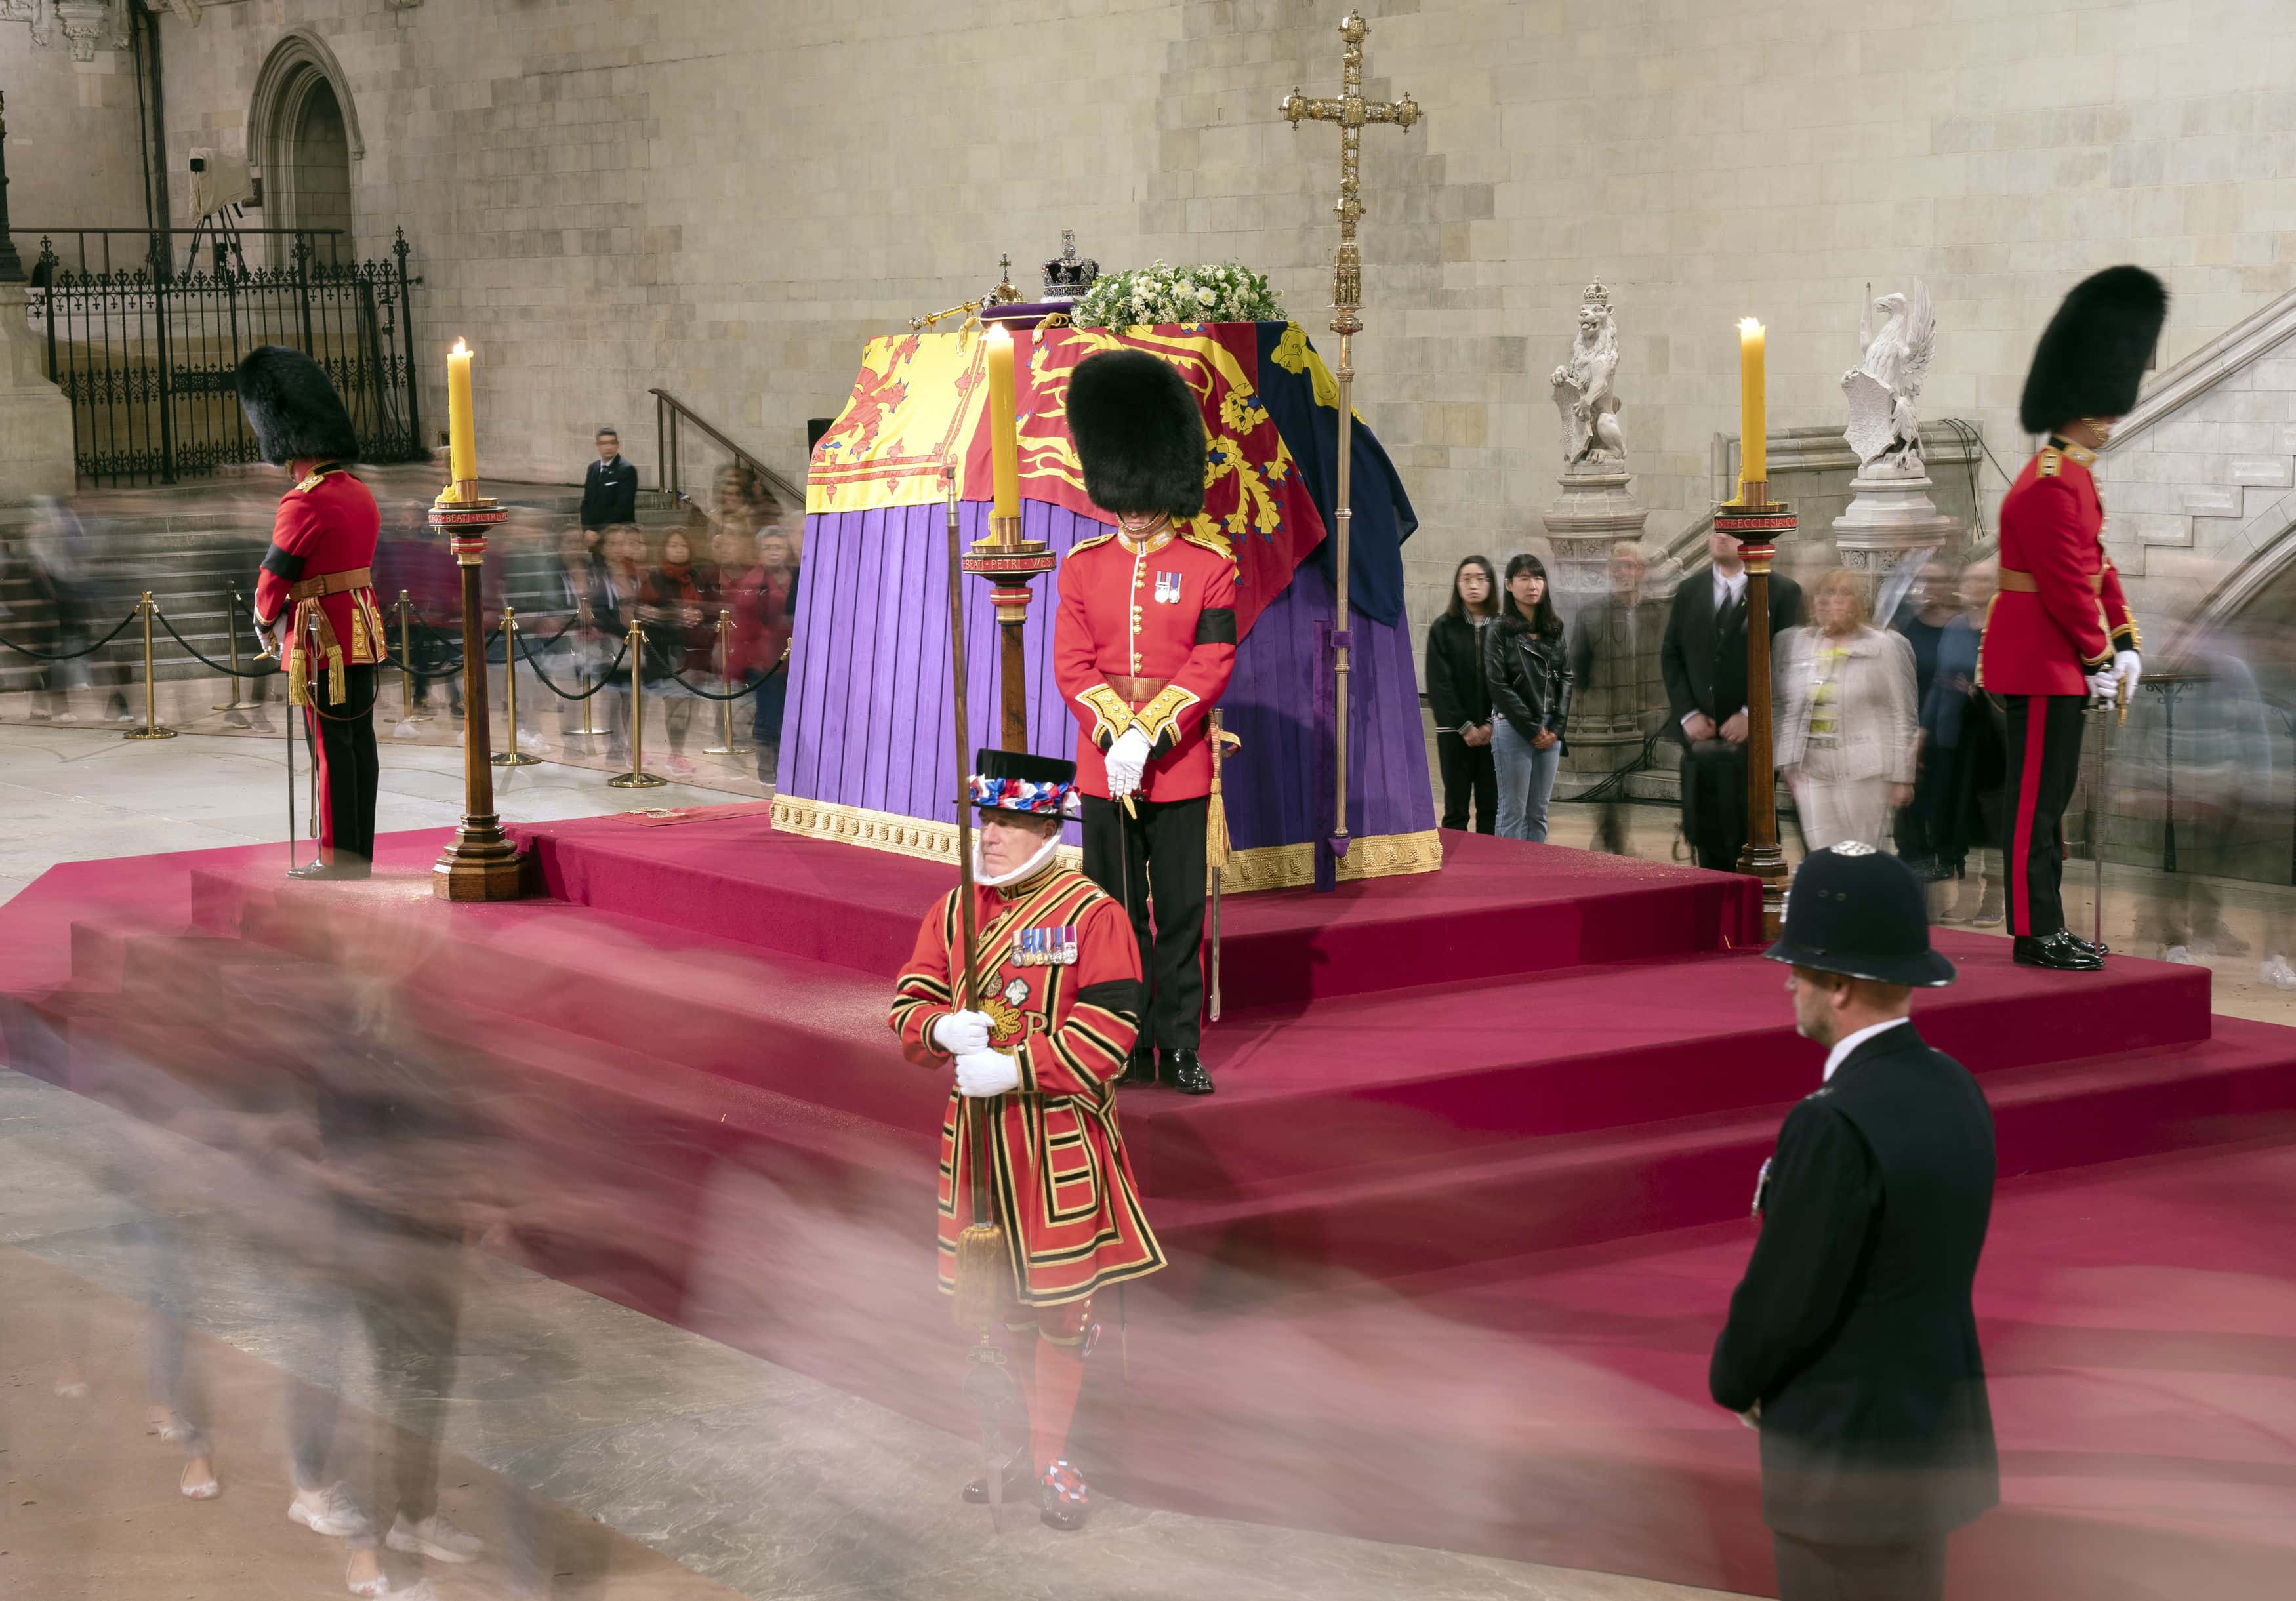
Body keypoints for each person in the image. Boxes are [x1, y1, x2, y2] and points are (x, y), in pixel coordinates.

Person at [887, 748, 1164, 1531]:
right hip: (975, 1143)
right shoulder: (952, 911)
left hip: (1056, 1145)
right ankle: (1014, 1443)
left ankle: (1053, 1454)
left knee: (1058, 1309)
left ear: (1049, 826)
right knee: (995, 1306)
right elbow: (907, 1001)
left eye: (1010, 821)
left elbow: (1111, 1035)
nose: (993, 835)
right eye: (988, 818)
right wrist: (937, 1026)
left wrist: (1017, 1066)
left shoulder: (1093, 914)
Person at [1712, 845, 1998, 1601]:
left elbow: (1791, 1289)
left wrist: (1736, 1379)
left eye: (1798, 967)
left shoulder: (1832, 1122)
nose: (1786, 982)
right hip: (1926, 1442)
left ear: (1837, 985)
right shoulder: (1954, 1085)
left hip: (1842, 1461)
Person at [1053, 350, 1236, 1097]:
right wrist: (1111, 735)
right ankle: (1122, 1043)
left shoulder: (1208, 564)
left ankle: (1179, 1047)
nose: (1130, 507)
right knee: (1115, 915)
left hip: (1178, 764)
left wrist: (1146, 733)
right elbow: (1072, 667)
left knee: (1181, 916)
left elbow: (1213, 658)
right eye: (1120, 492)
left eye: (1142, 492)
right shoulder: (1080, 566)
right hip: (1104, 770)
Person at [1981, 265, 2165, 971]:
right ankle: (2033, 931)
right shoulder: (2047, 484)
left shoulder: (2074, 477)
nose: (2110, 416)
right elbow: (2062, 588)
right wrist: (2095, 657)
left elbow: (2097, 565)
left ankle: (2049, 923)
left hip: (2060, 658)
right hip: (2038, 659)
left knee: (2050, 803)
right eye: (2103, 406)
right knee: (2033, 806)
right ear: (2078, 406)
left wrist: (2122, 641)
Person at [240, 345, 386, 882]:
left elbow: (275, 575)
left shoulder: (303, 500)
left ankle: (334, 855)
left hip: (320, 638)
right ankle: (359, 853)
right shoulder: (360, 494)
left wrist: (262, 620)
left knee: (328, 746)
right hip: (361, 631)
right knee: (358, 744)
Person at [1662, 527, 1806, 871]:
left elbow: (1788, 663)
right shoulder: (1690, 590)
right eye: (1717, 530)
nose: (1721, 536)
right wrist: (1687, 714)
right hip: (1701, 734)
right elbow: (1672, 655)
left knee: (1749, 829)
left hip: (1753, 741)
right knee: (1705, 829)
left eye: (1731, 531)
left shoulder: (1782, 592)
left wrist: (1751, 713)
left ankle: (1753, 904)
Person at [1774, 569, 1918, 853]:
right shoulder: (1802, 645)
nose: (1832, 601)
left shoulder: (1885, 646)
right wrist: (1787, 764)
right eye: (1825, 593)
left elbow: (1903, 714)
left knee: (1859, 857)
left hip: (1865, 772)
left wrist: (1903, 777)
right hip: (1812, 770)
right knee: (1822, 858)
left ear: (1859, 603)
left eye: (1843, 593)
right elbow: (1792, 708)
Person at [1569, 540, 1668, 854]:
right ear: (1611, 573)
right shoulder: (1591, 613)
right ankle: (1612, 839)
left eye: (1632, 566)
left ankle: (1612, 841)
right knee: (1610, 784)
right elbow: (1579, 666)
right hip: (1609, 710)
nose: (1626, 572)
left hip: (1648, 706)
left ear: (1642, 572)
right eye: (1620, 566)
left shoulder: (1656, 612)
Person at [1927, 561, 2007, 926]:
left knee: (1990, 818)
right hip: (1954, 732)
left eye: (1983, 579)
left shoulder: (2005, 623)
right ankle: (1966, 894)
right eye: (1970, 578)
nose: (1974, 584)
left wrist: (1981, 690)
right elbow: (1940, 680)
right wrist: (1924, 729)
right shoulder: (1956, 625)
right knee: (1961, 817)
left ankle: (1994, 898)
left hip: (1993, 737)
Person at [1485, 552, 1571, 842]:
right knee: (1513, 811)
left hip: (1550, 730)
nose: (1533, 585)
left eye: (1538, 578)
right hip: (1513, 726)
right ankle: (1508, 880)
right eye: (1524, 578)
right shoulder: (1499, 629)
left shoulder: (1554, 627)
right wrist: (1533, 729)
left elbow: (1567, 677)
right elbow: (1498, 684)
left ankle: (1536, 877)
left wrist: (1557, 728)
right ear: (1509, 585)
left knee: (1539, 812)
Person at [1892, 560, 1959, 878]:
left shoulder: (1959, 625)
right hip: (1909, 718)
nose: (1930, 588)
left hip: (1948, 723)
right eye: (1924, 581)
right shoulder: (1906, 624)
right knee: (1910, 794)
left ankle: (1946, 857)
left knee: (1945, 793)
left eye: (1938, 581)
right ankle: (1914, 857)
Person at [1425, 554, 1499, 833]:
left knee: (1491, 806)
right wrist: (1466, 726)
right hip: (1455, 733)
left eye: (1481, 579)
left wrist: (1492, 723)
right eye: (1466, 579)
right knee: (1456, 808)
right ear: (1457, 585)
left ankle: (1490, 870)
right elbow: (1439, 683)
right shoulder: (1443, 628)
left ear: (1491, 584)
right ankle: (1457, 872)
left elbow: (1508, 681)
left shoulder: (1502, 628)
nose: (1473, 585)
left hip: (1496, 733)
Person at [638, 526, 720, 775]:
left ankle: (678, 754)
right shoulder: (653, 578)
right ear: (664, 548)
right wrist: (677, 615)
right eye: (673, 545)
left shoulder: (699, 577)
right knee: (672, 705)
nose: (678, 550)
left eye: (683, 546)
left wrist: (700, 615)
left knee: (687, 706)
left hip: (695, 648)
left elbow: (714, 606)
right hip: (664, 649)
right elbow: (645, 612)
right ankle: (663, 752)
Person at [579, 428, 639, 532]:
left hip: (618, 534)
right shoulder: (592, 468)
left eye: (612, 443)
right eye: (604, 443)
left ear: (618, 444)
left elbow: (623, 506)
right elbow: (586, 502)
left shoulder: (627, 470)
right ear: (597, 445)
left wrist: (601, 532)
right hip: (593, 534)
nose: (608, 447)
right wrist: (587, 530)